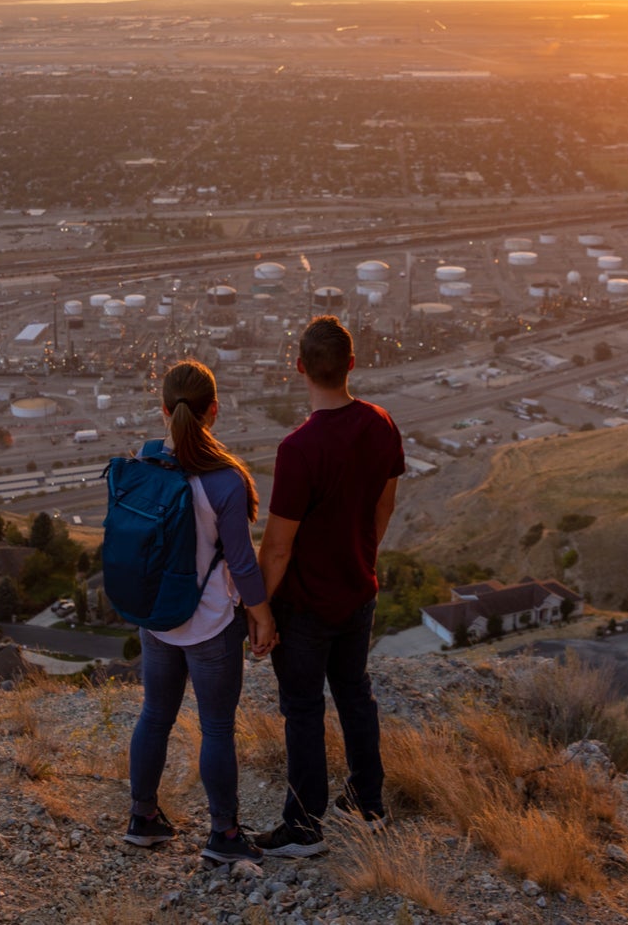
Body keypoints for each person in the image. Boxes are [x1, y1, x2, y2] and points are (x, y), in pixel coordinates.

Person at [254, 316, 405, 857]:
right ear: (351, 364)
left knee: (302, 707)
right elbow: (383, 506)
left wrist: (260, 608)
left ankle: (304, 828)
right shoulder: (381, 423)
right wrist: (362, 556)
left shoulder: (299, 448)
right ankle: (368, 806)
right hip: (357, 589)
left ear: (299, 368)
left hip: (307, 603)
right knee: (355, 695)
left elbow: (277, 547)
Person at [123, 359, 276, 864]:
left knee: (154, 716)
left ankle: (143, 818)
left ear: (164, 410)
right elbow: (242, 561)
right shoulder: (224, 480)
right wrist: (262, 615)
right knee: (215, 729)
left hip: (157, 618)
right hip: (210, 624)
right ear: (214, 410)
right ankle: (224, 836)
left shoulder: (142, 463)